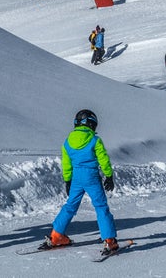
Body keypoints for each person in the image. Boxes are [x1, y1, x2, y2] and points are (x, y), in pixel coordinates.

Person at [45, 109, 119, 256]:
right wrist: (109, 175)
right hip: (91, 176)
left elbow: (66, 163)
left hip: (76, 178)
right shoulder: (94, 140)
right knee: (100, 206)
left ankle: (56, 236)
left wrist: (67, 180)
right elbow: (103, 159)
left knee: (70, 206)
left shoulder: (67, 142)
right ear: (90, 124)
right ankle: (109, 240)